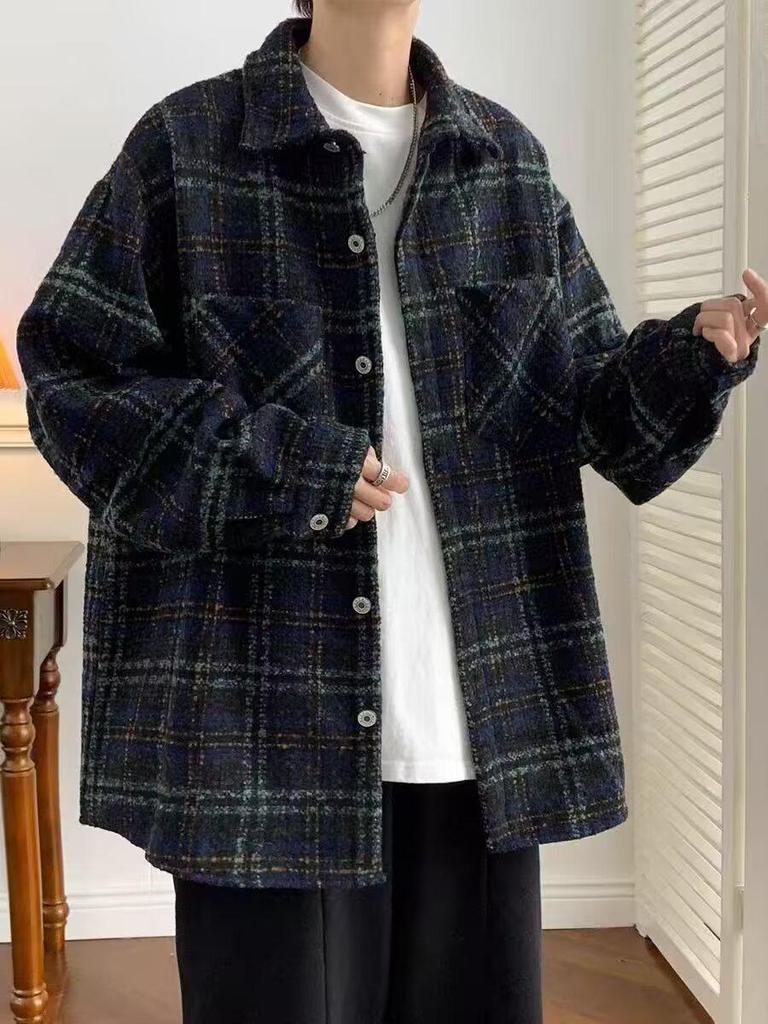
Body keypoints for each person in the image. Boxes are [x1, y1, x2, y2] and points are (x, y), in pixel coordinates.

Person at [15, 2, 766, 1022]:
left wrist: (692, 357)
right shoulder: (186, 149)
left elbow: (593, 408)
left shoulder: (504, 163)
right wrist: (281, 463)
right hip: (262, 727)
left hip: (475, 724)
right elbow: (73, 378)